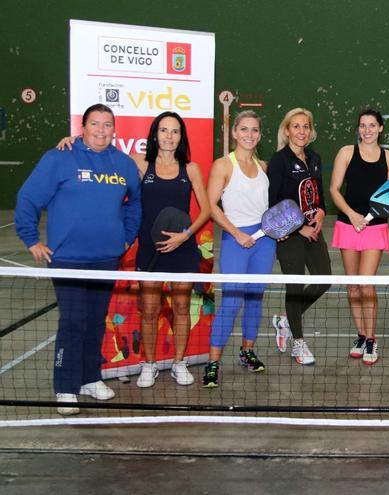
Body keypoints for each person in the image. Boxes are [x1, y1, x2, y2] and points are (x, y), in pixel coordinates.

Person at [55, 112, 211, 388]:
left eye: (175, 131)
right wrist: (76, 142)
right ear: (154, 134)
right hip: (150, 251)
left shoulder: (192, 169)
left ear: (181, 136)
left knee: (182, 307)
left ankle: (179, 363)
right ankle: (148, 365)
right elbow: (104, 156)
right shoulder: (139, 164)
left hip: (183, 248)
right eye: (164, 130)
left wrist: (185, 235)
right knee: (149, 310)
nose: (169, 136)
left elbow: (207, 209)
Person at [15, 103, 141, 415]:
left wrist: (126, 236)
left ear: (114, 129)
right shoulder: (60, 157)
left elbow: (135, 203)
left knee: (96, 321)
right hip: (68, 258)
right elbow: (28, 198)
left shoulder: (123, 164)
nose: (101, 130)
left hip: (106, 258)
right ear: (82, 128)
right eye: (95, 124)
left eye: (107, 124)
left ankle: (89, 378)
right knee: (72, 322)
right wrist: (31, 239)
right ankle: (66, 387)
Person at [203, 110, 275, 387]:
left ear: (259, 134)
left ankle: (247, 352)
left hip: (264, 241)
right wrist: (236, 234)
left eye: (254, 130)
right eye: (243, 129)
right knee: (231, 302)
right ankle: (213, 363)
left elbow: (269, 208)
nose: (249, 134)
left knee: (255, 299)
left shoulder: (264, 167)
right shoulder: (223, 165)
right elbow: (211, 206)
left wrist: (273, 231)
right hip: (236, 239)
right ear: (234, 133)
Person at [329, 109, 389, 365]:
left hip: (375, 228)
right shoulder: (346, 153)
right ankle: (360, 334)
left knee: (366, 284)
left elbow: (388, 195)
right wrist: (352, 215)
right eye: (362, 125)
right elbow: (334, 189)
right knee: (353, 285)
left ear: (380, 128)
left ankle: (371, 339)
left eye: (372, 125)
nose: (367, 130)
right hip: (348, 225)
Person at [268, 107, 331, 366]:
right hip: (289, 234)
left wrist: (322, 214)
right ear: (287, 130)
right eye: (296, 126)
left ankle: (284, 321)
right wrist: (297, 228)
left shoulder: (314, 158)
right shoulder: (278, 160)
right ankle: (299, 342)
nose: (302, 131)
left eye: (305, 126)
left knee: (324, 279)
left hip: (313, 231)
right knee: (294, 287)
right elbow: (272, 203)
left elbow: (318, 195)